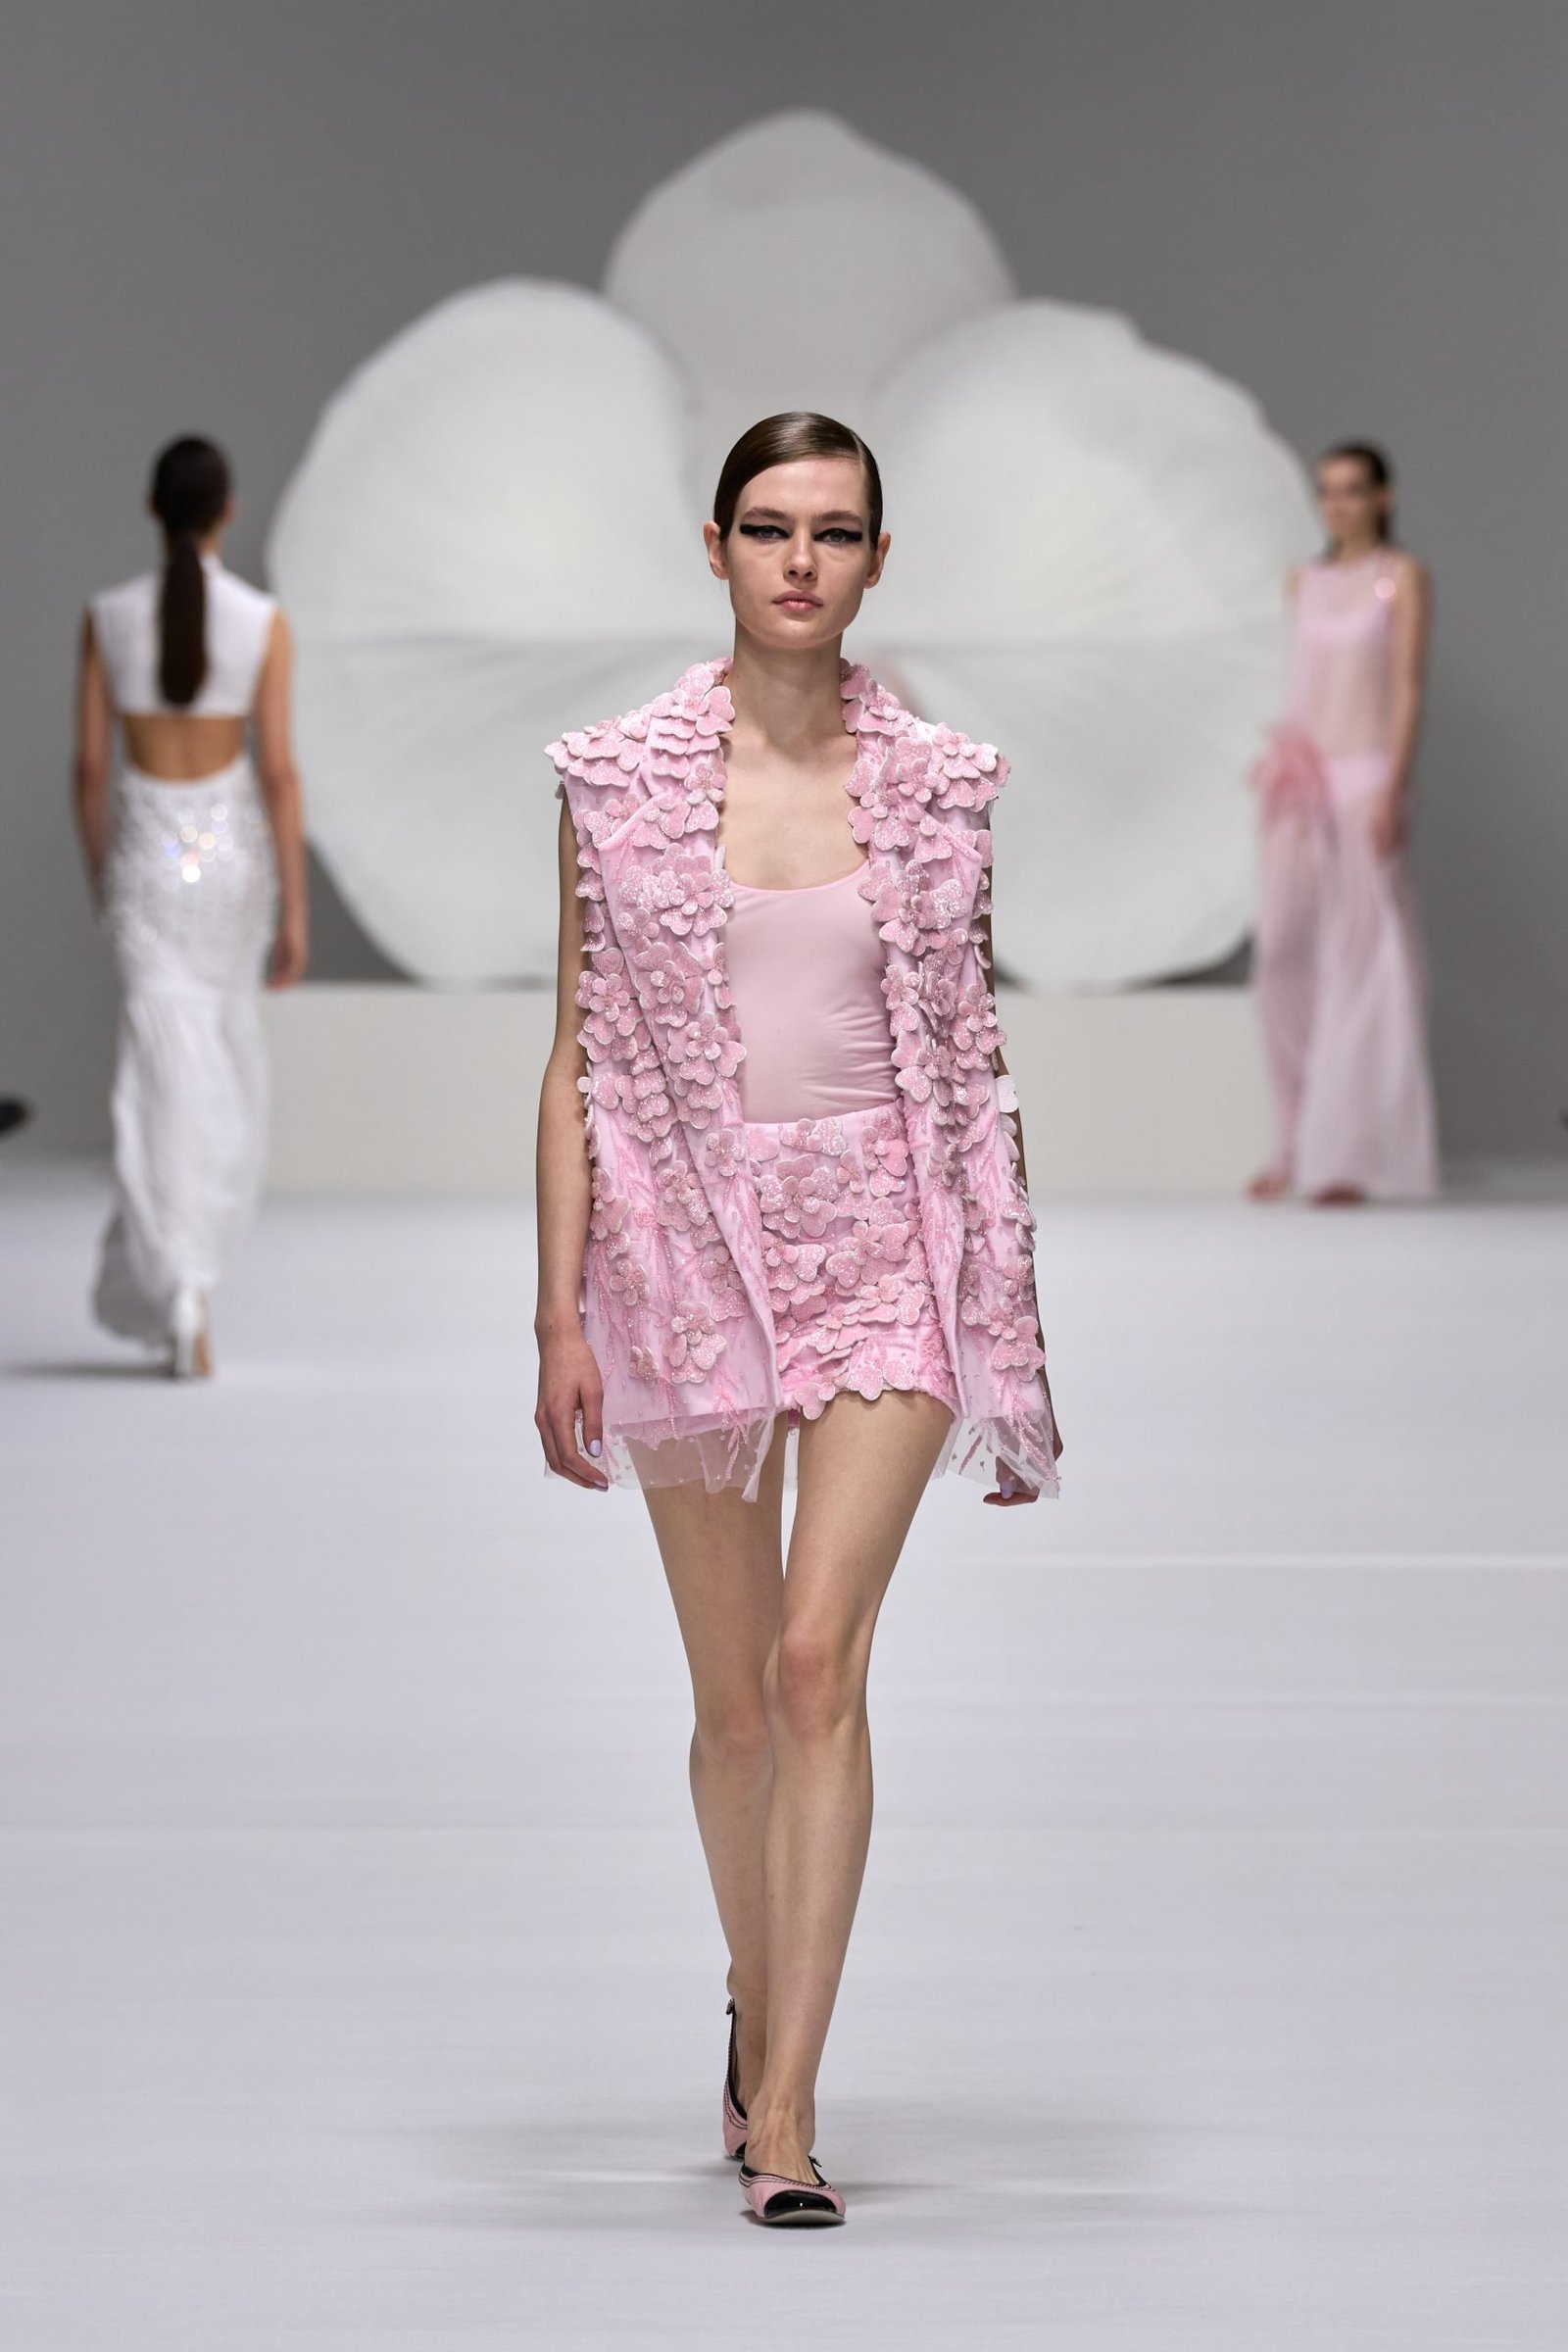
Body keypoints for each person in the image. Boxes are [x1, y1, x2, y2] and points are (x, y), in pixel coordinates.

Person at [534, 412, 1061, 2228]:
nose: (800, 562)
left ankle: (786, 2114)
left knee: (818, 1664)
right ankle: (754, 2006)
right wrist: (556, 1316)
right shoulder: (611, 782)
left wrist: (1006, 1321)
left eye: (835, 532)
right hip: (684, 1258)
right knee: (737, 1708)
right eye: (769, 528)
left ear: (877, 562)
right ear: (717, 547)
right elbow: (575, 1061)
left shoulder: (942, 787)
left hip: (887, 1252)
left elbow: (972, 1066)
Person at [73, 435, 308, 1374]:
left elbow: (91, 769)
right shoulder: (262, 622)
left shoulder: (106, 619)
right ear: (228, 512)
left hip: (143, 864)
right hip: (232, 869)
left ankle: (179, 1282)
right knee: (218, 1067)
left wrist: (106, 872)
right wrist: (294, 909)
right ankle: (190, 1275)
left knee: (158, 1076)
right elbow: (279, 773)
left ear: (151, 507)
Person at [1249, 441, 1440, 1203]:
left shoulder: (1402, 578)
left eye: (1353, 490)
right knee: (1281, 959)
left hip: (1365, 784)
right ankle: (1297, 1140)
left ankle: (1351, 1156)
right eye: (1327, 491)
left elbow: (1407, 687)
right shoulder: (1304, 581)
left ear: (1383, 497)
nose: (1338, 505)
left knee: (1363, 963)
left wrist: (1394, 787)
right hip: (1299, 787)